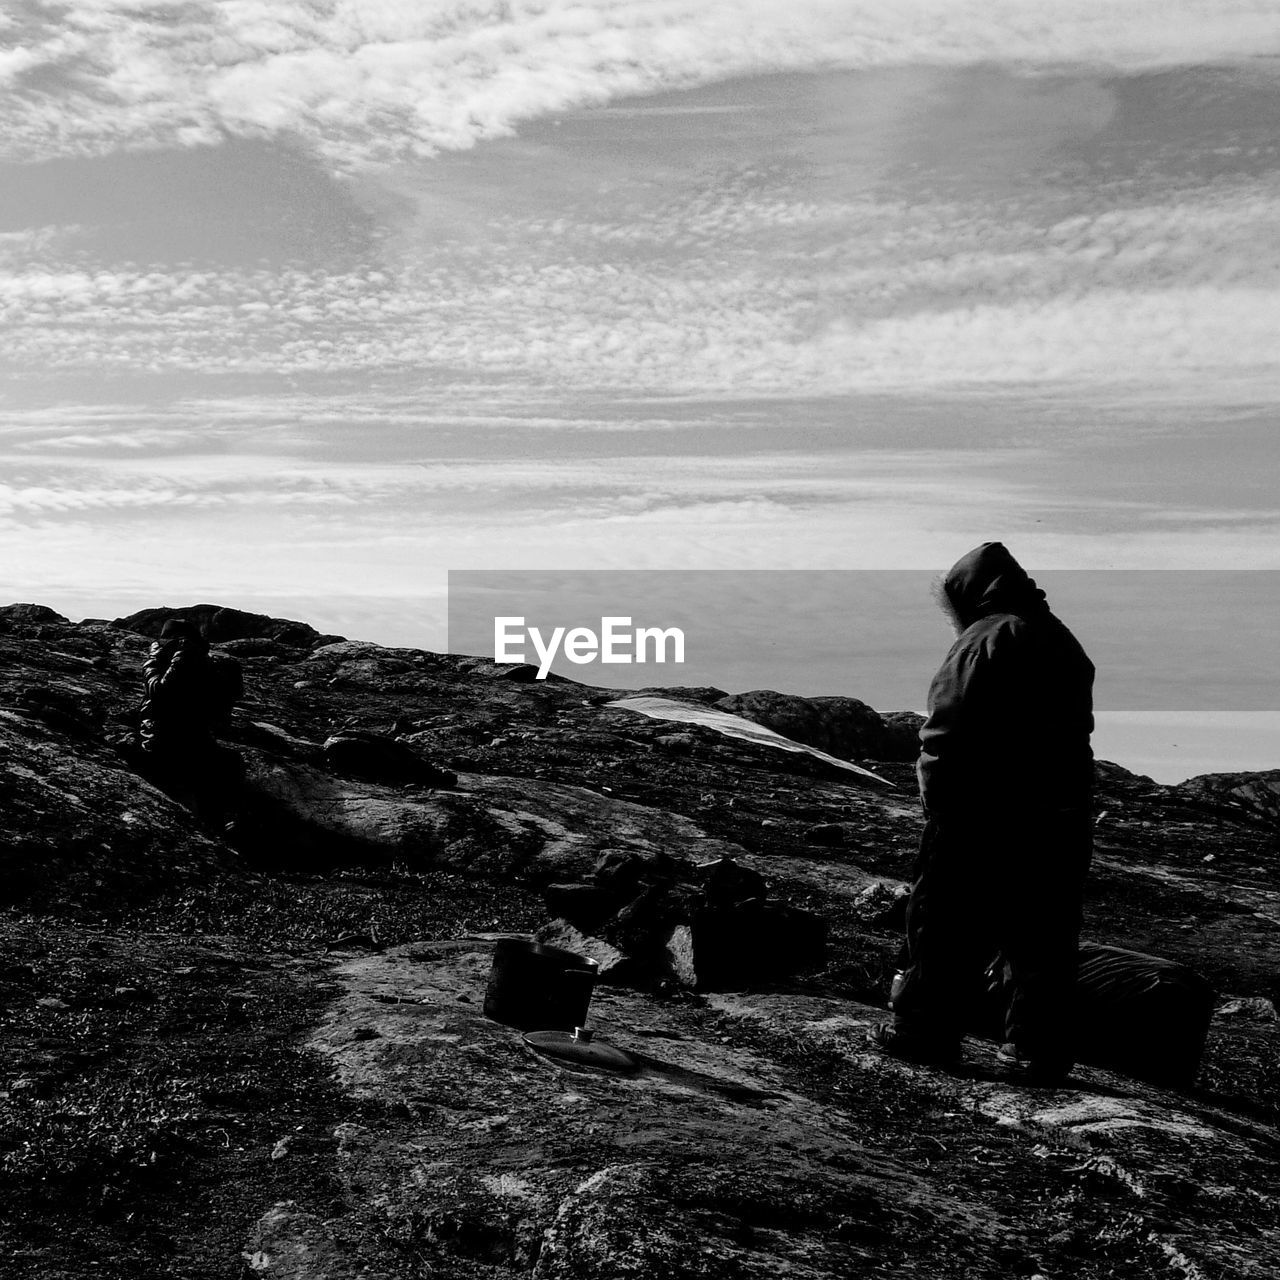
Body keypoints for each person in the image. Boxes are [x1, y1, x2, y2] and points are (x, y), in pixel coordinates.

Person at [869, 542, 1095, 1084]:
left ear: (968, 594)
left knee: (945, 920)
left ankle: (923, 1029)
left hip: (981, 811)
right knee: (1044, 934)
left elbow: (949, 728)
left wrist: (938, 800)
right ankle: (1037, 1049)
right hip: (1059, 815)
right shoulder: (1062, 640)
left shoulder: (984, 639)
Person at [137, 617, 244, 827]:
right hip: (191, 738)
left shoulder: (184, 656)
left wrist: (151, 662)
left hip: (167, 741)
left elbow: (161, 692)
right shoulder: (200, 658)